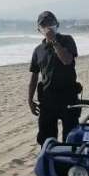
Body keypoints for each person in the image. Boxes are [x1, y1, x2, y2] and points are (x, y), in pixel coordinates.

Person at [28, 11, 80, 149]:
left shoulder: (67, 40)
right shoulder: (38, 50)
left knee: (71, 139)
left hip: (68, 98)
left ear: (57, 25)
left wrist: (54, 42)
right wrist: (30, 100)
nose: (48, 28)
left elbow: (67, 60)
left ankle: (71, 168)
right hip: (47, 100)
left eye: (50, 24)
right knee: (46, 141)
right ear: (39, 30)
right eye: (44, 25)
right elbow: (34, 75)